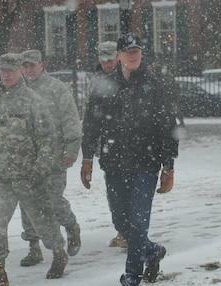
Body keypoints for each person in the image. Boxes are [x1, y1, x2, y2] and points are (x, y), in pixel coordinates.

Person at [80, 33, 179, 286]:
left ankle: (132, 274)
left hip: (146, 164)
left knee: (137, 222)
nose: (133, 54)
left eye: (137, 50)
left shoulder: (154, 85)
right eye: (128, 51)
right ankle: (152, 251)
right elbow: (91, 124)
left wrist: (168, 166)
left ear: (141, 54)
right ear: (119, 56)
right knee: (121, 222)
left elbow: (168, 126)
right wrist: (87, 158)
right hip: (114, 164)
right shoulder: (104, 85)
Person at [0, 53, 68, 286]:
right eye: (2, 70)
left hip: (29, 176)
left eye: (11, 69)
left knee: (44, 222)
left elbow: (47, 139)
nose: (6, 74)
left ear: (20, 71)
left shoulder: (33, 101)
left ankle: (59, 253)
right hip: (0, 176)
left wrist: (41, 169)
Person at [19, 49, 82, 265]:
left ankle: (71, 226)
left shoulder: (57, 89)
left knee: (53, 201)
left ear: (42, 65)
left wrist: (71, 151)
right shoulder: (18, 92)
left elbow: (71, 120)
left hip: (54, 158)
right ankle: (33, 247)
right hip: (27, 161)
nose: (29, 70)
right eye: (25, 66)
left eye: (32, 66)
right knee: (27, 205)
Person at [87, 41, 127, 249]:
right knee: (114, 191)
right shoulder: (96, 81)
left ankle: (128, 231)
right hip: (106, 146)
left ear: (118, 57)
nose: (106, 64)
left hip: (127, 144)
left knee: (127, 190)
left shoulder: (127, 78)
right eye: (102, 60)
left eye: (110, 59)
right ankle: (123, 229)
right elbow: (91, 115)